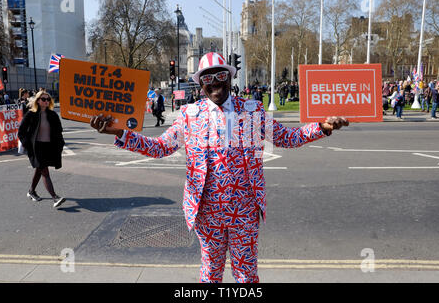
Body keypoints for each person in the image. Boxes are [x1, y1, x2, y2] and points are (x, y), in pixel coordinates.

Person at [90, 52, 349, 283]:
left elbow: (286, 138)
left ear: (230, 78)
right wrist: (121, 133)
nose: (214, 83)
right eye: (207, 78)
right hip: (206, 211)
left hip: (244, 210)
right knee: (210, 273)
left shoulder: (252, 111)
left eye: (220, 75)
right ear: (201, 84)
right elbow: (161, 147)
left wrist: (323, 128)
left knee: (246, 275)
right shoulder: (190, 114)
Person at [18, 90, 66, 207]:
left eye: (48, 99)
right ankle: (55, 197)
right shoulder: (31, 114)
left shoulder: (52, 115)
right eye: (43, 99)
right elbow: (21, 132)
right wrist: (27, 144)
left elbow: (59, 131)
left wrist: (60, 143)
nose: (46, 101)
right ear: (38, 101)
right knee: (45, 171)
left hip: (48, 147)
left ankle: (31, 191)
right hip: (35, 147)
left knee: (39, 169)